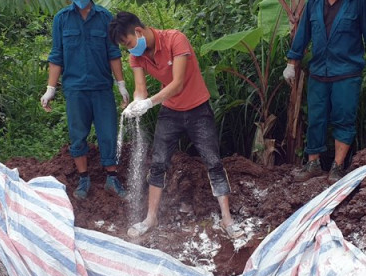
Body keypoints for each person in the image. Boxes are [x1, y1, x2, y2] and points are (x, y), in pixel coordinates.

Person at [108, 11, 244, 239]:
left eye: (128, 42)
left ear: (138, 31)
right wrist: (137, 103)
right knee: (158, 163)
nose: (129, 49)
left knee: (213, 162)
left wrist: (150, 102)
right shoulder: (136, 56)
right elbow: (141, 90)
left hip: (198, 109)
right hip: (170, 111)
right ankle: (151, 218)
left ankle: (226, 219)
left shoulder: (175, 39)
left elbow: (178, 83)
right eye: (124, 46)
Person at [283, 0, 366, 184]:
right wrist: (291, 63)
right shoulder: (314, 3)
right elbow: (303, 34)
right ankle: (313, 164)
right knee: (315, 118)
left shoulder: (358, 3)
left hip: (347, 73)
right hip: (318, 72)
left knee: (344, 118)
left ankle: (337, 166)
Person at [40, 0, 129, 200]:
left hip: (102, 88)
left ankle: (112, 178)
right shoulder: (61, 19)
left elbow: (113, 53)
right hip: (75, 89)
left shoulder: (105, 17)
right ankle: (83, 179)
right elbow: (56, 55)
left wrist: (121, 84)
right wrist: (50, 89)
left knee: (108, 132)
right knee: (77, 134)